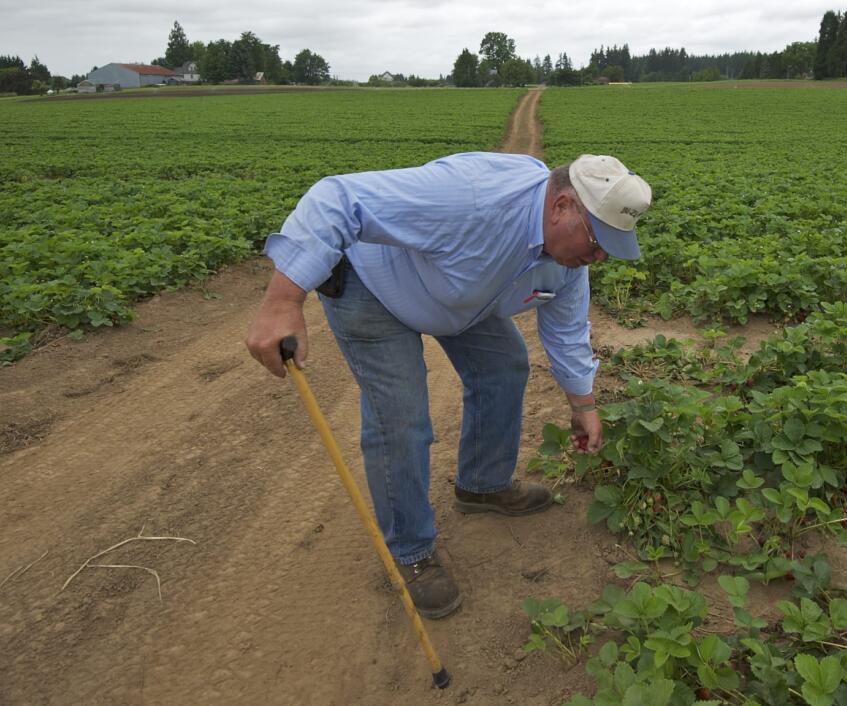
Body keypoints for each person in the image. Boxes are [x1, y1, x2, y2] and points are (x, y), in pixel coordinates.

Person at [245, 152, 651, 619]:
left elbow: (565, 327)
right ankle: (411, 552)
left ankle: (482, 485)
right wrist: (282, 298)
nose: (600, 257)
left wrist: (583, 403)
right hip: (374, 287)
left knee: (504, 365)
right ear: (561, 206)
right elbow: (338, 196)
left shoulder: (568, 261)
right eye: (599, 241)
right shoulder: (471, 198)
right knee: (402, 420)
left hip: (463, 294)